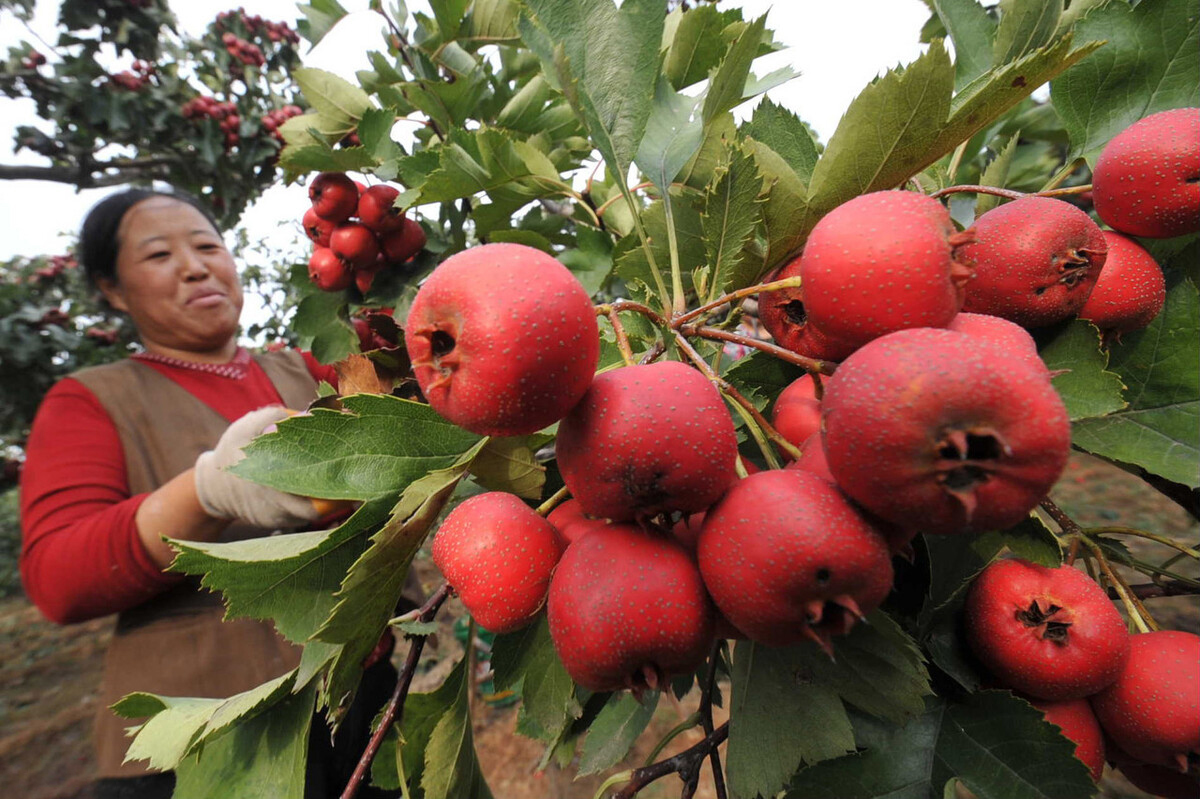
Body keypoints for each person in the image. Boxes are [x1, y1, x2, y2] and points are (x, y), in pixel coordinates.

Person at [18, 188, 398, 799]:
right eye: (159, 255)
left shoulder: (311, 369)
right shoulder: (92, 400)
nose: (196, 266)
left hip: (366, 704)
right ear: (112, 290)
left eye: (206, 246)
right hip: (204, 744)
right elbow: (57, 578)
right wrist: (206, 493)